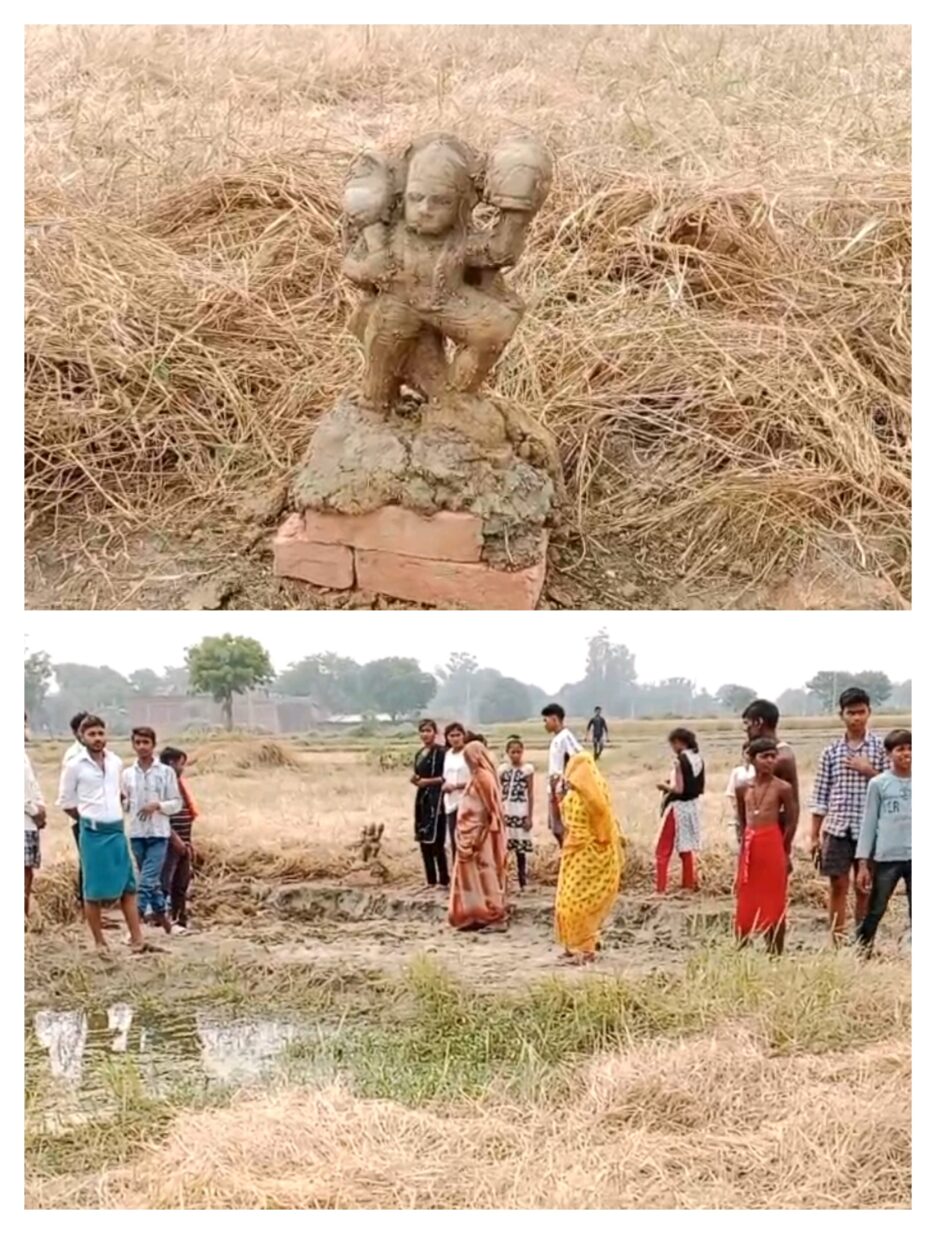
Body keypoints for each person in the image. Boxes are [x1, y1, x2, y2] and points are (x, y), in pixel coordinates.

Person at [57, 715, 154, 955]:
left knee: (128, 887)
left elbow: (118, 793)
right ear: (82, 737)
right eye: (92, 734)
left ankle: (137, 937)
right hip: (93, 833)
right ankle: (100, 942)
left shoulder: (115, 762)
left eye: (101, 733)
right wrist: (90, 820)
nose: (97, 739)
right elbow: (66, 802)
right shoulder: (74, 765)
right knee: (94, 890)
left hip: (117, 829)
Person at [809, 687, 887, 943]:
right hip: (838, 829)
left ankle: (864, 943)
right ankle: (836, 941)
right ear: (841, 715)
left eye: (861, 712)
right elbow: (820, 796)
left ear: (869, 713)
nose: (856, 718)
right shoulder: (831, 752)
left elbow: (893, 786)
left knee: (864, 888)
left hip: (871, 829)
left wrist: (868, 770)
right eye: (851, 713)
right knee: (837, 886)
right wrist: (814, 835)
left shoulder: (880, 748)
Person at [555, 751, 622, 965]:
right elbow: (565, 818)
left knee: (581, 901)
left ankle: (586, 949)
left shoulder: (595, 795)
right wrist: (558, 796)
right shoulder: (573, 794)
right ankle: (572, 945)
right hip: (573, 853)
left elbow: (602, 821)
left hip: (591, 856)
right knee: (565, 900)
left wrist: (598, 843)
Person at [735, 738, 795, 955]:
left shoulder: (783, 788)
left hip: (772, 843)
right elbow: (742, 819)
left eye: (773, 756)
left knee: (774, 899)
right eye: (764, 756)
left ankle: (775, 952)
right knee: (746, 896)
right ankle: (740, 950)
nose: (770, 761)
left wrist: (785, 849)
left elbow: (791, 820)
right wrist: (743, 846)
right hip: (751, 844)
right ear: (752, 759)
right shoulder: (742, 786)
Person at [855, 729, 911, 956]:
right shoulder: (879, 784)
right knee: (876, 908)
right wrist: (862, 863)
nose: (906, 754)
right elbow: (868, 824)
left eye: (910, 748)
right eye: (900, 749)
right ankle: (862, 951)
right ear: (889, 754)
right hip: (888, 856)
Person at [121, 727, 182, 936]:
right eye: (137, 742)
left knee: (145, 882)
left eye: (145, 742)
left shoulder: (165, 772)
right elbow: (125, 804)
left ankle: (134, 927)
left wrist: (158, 805)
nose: (141, 747)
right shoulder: (127, 774)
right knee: (153, 882)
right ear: (133, 744)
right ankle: (166, 924)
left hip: (158, 833)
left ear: (153, 745)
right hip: (137, 833)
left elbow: (176, 803)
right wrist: (124, 802)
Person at [448, 740, 507, 931]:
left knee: (485, 873)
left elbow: (491, 811)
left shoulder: (483, 777)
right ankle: (474, 914)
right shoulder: (477, 776)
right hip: (468, 834)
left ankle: (493, 914)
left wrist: (480, 834)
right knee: (472, 875)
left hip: (479, 835)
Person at [741, 698, 800, 860]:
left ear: (758, 722)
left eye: (747, 724)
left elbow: (792, 810)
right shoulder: (755, 752)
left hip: (772, 835)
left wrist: (784, 848)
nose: (746, 730)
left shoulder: (782, 758)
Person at [655, 728, 704, 894]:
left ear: (679, 742)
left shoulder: (680, 760)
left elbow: (679, 789)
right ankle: (688, 885)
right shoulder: (697, 758)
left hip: (677, 808)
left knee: (662, 849)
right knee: (686, 847)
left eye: (673, 744)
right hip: (692, 806)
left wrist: (664, 786)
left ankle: (660, 889)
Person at [159, 746, 198, 931]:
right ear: (171, 763)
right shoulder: (161, 785)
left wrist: (187, 843)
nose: (183, 768)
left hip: (184, 841)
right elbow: (161, 817)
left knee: (181, 884)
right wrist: (176, 840)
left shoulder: (177, 783)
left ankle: (180, 919)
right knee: (165, 883)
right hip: (169, 842)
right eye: (182, 764)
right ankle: (161, 919)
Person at [411, 720, 449, 892]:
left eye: (428, 730)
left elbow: (445, 777)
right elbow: (419, 776)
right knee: (424, 839)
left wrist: (427, 782)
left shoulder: (441, 753)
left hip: (438, 799)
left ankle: (443, 880)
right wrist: (417, 781)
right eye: (422, 731)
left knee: (437, 841)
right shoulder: (420, 754)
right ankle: (430, 880)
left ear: (435, 732)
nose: (425, 734)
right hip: (423, 799)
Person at [542, 703, 582, 847]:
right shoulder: (557, 739)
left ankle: (569, 856)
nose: (544, 724)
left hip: (561, 788)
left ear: (554, 719)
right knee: (555, 828)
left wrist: (566, 780)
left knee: (564, 827)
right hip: (553, 787)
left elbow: (578, 758)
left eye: (545, 720)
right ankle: (565, 854)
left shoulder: (566, 737)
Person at [498, 736, 535, 892]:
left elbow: (531, 793)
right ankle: (503, 881)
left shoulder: (527, 770)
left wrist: (529, 816)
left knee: (520, 850)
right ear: (507, 753)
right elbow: (499, 791)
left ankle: (522, 882)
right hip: (506, 811)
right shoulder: (502, 770)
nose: (515, 755)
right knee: (503, 849)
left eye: (518, 752)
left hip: (520, 811)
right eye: (512, 752)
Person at [62, 710, 88, 905]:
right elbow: (67, 796)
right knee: (87, 861)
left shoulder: (97, 754)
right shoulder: (74, 756)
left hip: (100, 818)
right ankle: (86, 906)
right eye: (85, 729)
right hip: (82, 816)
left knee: (95, 862)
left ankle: (95, 906)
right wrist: (82, 817)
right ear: (75, 732)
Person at [24, 714, 46, 919]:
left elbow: (33, 787)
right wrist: (35, 811)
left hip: (30, 823)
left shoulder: (23, 755)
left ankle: (25, 916)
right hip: (24, 820)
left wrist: (41, 808)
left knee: (27, 870)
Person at [442, 722, 470, 860]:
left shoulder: (469, 753)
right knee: (453, 839)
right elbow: (445, 776)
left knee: (466, 838)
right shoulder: (448, 754)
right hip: (450, 801)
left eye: (458, 735)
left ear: (464, 736)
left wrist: (457, 786)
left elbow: (476, 779)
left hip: (467, 800)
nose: (455, 738)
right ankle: (456, 873)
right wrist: (446, 785)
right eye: (451, 736)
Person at [724, 743, 753, 851]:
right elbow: (731, 792)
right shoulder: (737, 771)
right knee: (741, 835)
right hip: (740, 808)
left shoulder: (757, 771)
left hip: (755, 809)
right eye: (747, 753)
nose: (749, 756)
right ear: (742, 754)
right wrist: (737, 808)